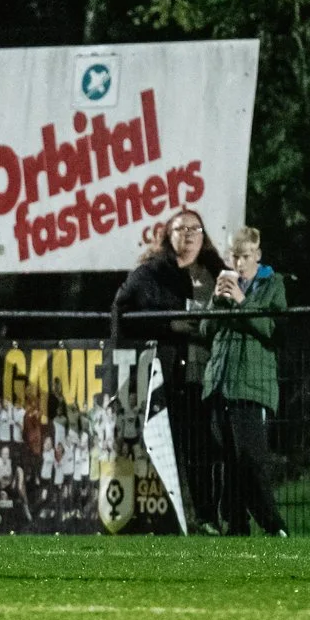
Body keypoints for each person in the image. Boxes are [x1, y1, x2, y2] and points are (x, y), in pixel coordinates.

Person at [113, 209, 227, 529]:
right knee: (166, 449)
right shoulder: (150, 273)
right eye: (180, 229)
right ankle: (165, 520)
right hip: (165, 375)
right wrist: (167, 325)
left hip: (211, 374)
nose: (188, 234)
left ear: (204, 236)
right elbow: (121, 312)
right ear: (167, 235)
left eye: (194, 229)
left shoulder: (218, 272)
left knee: (206, 450)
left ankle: (209, 518)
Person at [202, 227, 288, 536]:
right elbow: (205, 331)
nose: (239, 263)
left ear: (258, 255)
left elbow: (273, 329)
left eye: (245, 256)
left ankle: (274, 524)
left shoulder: (272, 284)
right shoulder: (224, 284)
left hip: (252, 383)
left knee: (251, 459)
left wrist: (241, 301)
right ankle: (236, 525)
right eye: (234, 257)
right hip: (220, 381)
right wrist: (216, 302)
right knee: (227, 460)